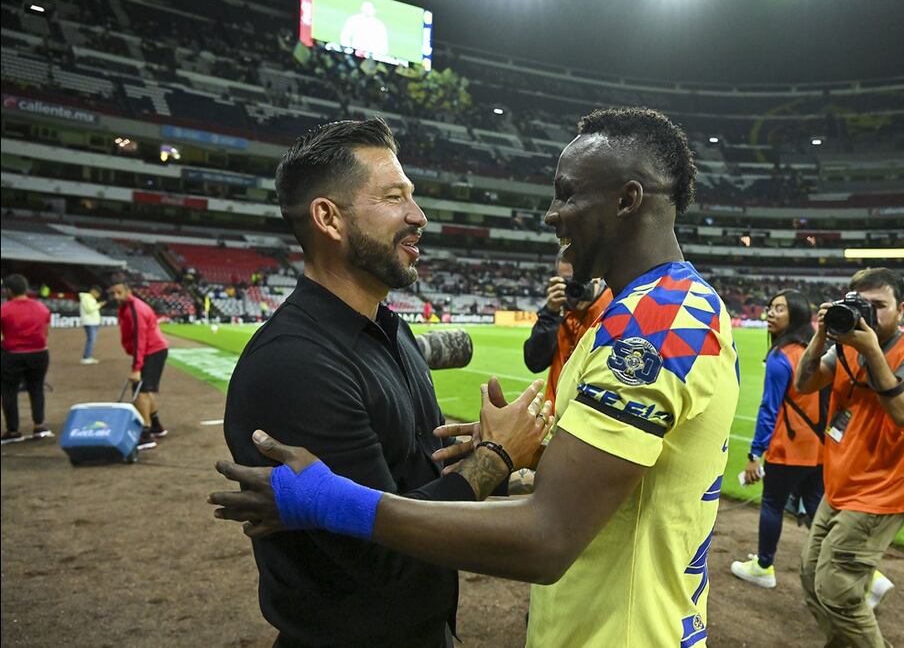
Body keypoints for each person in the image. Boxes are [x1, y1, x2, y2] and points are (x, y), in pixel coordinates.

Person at [212, 108, 740, 647]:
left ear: (627, 200)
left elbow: (546, 537)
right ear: (328, 217)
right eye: (395, 197)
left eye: (566, 194)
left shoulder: (657, 321)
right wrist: (526, 453)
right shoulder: (639, 312)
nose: (552, 214)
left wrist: (332, 500)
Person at [220, 119, 553, 648]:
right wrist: (495, 457)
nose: (418, 216)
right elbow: (385, 556)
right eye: (395, 197)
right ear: (328, 217)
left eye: (412, 197)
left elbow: (409, 484)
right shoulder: (296, 365)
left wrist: (506, 469)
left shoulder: (389, 331)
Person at [794, 267, 904, 648]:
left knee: (838, 587)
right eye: (863, 305)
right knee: (811, 574)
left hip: (886, 487)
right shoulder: (842, 350)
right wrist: (823, 334)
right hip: (842, 481)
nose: (872, 313)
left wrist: (872, 349)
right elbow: (804, 383)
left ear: (902, 309)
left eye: (881, 305)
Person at [730, 290, 825, 589]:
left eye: (779, 309)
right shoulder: (815, 350)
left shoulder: (780, 357)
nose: (770, 313)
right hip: (820, 447)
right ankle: (851, 569)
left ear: (795, 315)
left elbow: (769, 410)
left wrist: (754, 454)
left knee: (772, 504)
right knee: (817, 511)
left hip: (789, 446)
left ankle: (763, 566)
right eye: (770, 308)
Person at [522, 256, 611, 404]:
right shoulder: (560, 310)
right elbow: (535, 363)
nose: (575, 287)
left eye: (581, 280)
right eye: (567, 281)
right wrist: (550, 313)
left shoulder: (614, 308)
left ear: (597, 277)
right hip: (552, 417)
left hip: (583, 418)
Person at [107, 279, 169, 450]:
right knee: (145, 389)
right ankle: (156, 425)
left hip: (152, 351)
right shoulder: (126, 307)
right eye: (112, 293)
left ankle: (146, 433)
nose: (115, 296)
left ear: (128, 291)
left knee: (139, 390)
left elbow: (139, 339)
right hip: (154, 350)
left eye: (119, 292)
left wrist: (136, 368)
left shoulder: (135, 309)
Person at [1, 274, 53, 443]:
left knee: (9, 391)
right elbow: (45, 333)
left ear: (8, 290)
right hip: (39, 353)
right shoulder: (41, 307)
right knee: (36, 388)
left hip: (13, 354)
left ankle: (13, 430)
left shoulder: (4, 309)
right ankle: (39, 425)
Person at [78, 286, 105, 364]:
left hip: (93, 322)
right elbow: (89, 309)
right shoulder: (86, 298)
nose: (98, 296)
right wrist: (99, 305)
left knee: (91, 340)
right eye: (98, 293)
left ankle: (88, 356)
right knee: (91, 340)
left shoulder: (90, 298)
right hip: (90, 322)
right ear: (93, 291)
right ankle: (86, 357)